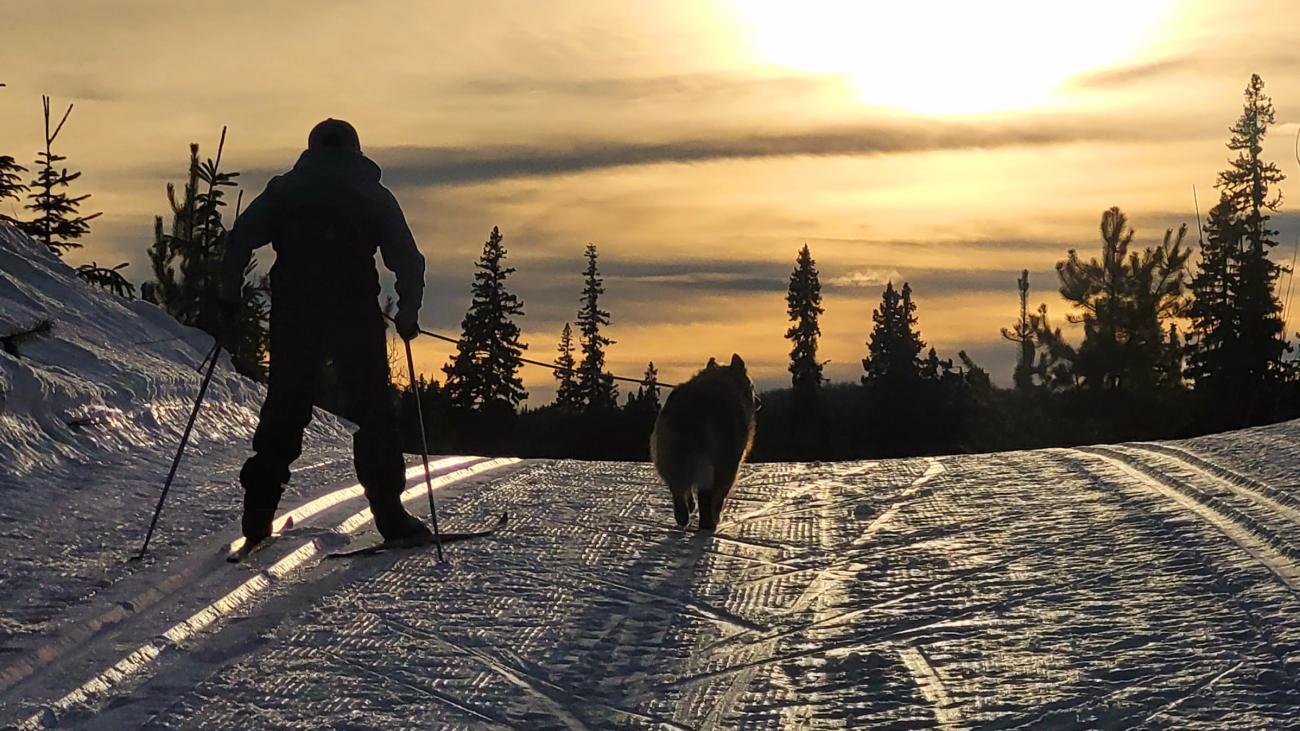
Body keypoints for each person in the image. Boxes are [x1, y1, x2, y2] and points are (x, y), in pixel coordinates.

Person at [219, 118, 431, 546]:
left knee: (286, 402)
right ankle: (389, 515)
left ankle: (259, 510)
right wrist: (407, 311)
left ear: (311, 148)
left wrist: (229, 294)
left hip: (296, 309)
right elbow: (408, 259)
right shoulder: (373, 195)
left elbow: (240, 237)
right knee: (372, 409)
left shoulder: (286, 190)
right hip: (354, 312)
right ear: (355, 149)